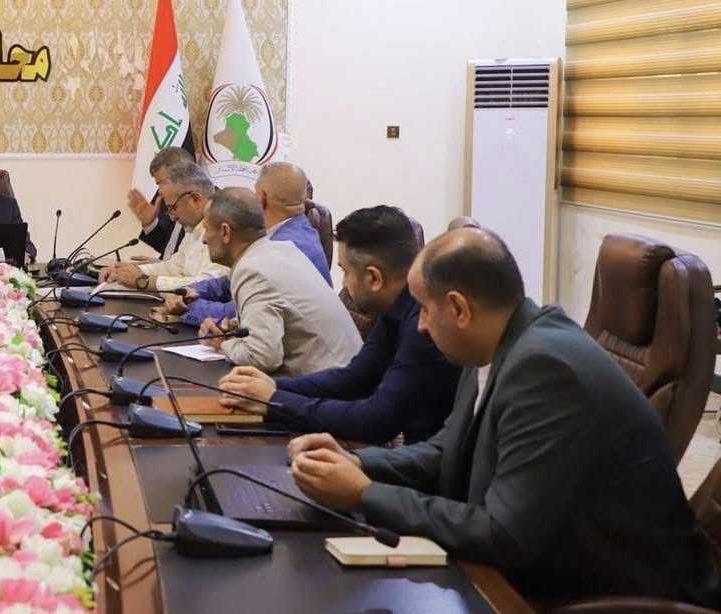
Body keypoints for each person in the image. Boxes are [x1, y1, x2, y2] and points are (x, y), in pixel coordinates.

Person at [288, 227, 721, 607]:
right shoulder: (498, 344)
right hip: (556, 565)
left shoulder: (545, 369)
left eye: (424, 310)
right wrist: (358, 463)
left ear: (459, 309)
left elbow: (503, 535)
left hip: (622, 594)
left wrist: (364, 494)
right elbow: (447, 451)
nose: (419, 326)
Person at [217, 205, 458, 443]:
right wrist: (272, 386)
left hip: (423, 461)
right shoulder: (397, 305)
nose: (344, 283)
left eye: (345, 271)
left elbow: (376, 421)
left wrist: (274, 401)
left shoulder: (424, 326)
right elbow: (355, 379)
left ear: (374, 278)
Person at [197, 188, 360, 374]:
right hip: (348, 374)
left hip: (333, 384)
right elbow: (283, 317)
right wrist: (231, 327)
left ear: (225, 232)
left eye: (206, 229)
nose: (204, 239)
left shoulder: (253, 270)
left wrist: (223, 343)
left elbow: (261, 357)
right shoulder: (282, 250)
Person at [163, 161, 332, 326]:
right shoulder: (298, 229)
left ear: (262, 198)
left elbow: (238, 312)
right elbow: (231, 281)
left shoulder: (281, 248)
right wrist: (190, 290)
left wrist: (188, 306)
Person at [99, 160, 228, 291]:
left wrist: (142, 281)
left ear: (195, 199)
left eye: (173, 208)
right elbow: (175, 267)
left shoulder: (223, 227)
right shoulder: (193, 227)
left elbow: (208, 285)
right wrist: (128, 271)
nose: (172, 217)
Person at [125, 146, 192, 261]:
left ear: (183, 176)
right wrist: (150, 224)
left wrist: (161, 266)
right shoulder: (176, 205)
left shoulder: (209, 210)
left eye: (162, 183)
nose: (160, 191)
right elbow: (169, 248)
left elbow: (198, 268)